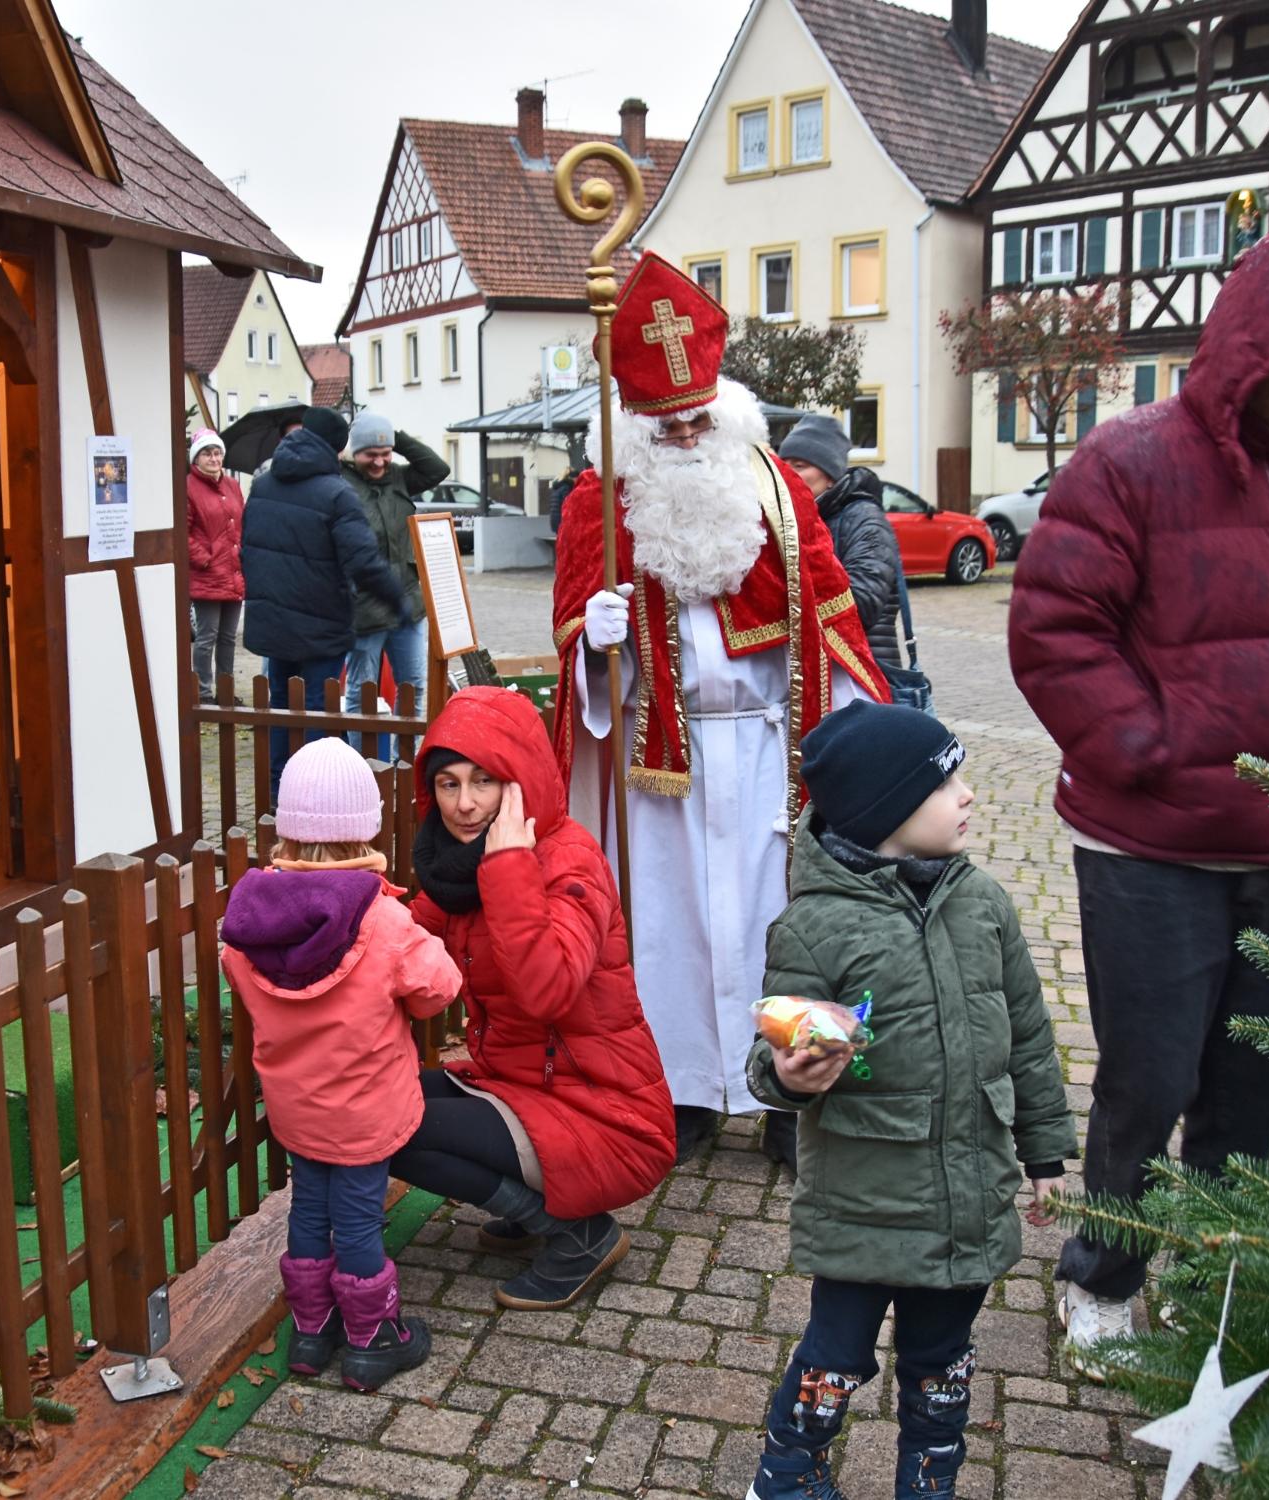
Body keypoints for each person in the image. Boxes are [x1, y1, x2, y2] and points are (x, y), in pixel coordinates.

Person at [1007, 220, 1269, 1371]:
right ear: (1255, 351)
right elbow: (1053, 627)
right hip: (1153, 848)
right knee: (1150, 1073)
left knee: (1257, 1085)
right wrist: (1146, 743)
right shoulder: (1127, 461)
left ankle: (1219, 1275)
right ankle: (1105, 1275)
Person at [552, 253, 887, 1165]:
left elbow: (830, 614)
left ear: (723, 404)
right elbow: (572, 650)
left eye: (698, 417)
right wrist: (594, 639)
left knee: (786, 924)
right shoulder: (600, 502)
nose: (687, 437)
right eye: (664, 427)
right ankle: (684, 1091)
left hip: (773, 753)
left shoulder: (774, 489)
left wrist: (852, 744)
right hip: (659, 768)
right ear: (633, 425)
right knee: (668, 934)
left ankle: (789, 1093)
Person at [744, 699, 1073, 1499]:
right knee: (835, 1357)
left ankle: (929, 1478)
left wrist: (1045, 1151)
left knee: (943, 1366)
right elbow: (770, 1051)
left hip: (967, 1194)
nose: (967, 795)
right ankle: (788, 1473)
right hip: (865, 1198)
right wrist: (789, 1075)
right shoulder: (815, 926)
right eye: (945, 783)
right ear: (884, 812)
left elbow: (1028, 1036)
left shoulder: (984, 905)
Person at [390, 687, 677, 1310]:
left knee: (397, 1130)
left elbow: (548, 990)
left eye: (484, 781)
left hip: (606, 1115)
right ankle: (536, 1204)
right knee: (379, 1104)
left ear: (521, 781)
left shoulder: (567, 861)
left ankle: (579, 1234)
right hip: (519, 1084)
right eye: (447, 784)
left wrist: (512, 867)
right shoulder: (460, 862)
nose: (463, 804)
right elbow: (409, 940)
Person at [217, 737, 462, 1391]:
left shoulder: (249, 920)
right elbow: (439, 987)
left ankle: (311, 1329)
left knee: (309, 1210)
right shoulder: (381, 919)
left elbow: (238, 974)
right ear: (368, 828)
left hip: (298, 1109)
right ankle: (370, 1337)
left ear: (288, 829)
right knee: (356, 1219)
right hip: (362, 1113)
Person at [239, 406, 405, 793]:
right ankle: (315, 792)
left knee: (280, 705)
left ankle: (280, 791)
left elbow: (246, 550)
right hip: (321, 624)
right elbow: (363, 561)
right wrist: (398, 602)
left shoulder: (262, 485)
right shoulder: (337, 494)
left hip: (272, 621)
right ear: (336, 447)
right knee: (318, 706)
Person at [341, 409, 450, 758]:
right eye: (370, 454)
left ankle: (409, 763)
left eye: (384, 454)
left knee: (414, 686)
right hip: (363, 609)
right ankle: (365, 765)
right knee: (362, 691)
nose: (378, 462)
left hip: (407, 604)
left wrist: (395, 438)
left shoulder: (400, 478)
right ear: (353, 452)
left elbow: (437, 469)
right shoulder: (342, 485)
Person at [779, 413, 909, 671]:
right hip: (825, 671)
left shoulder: (864, 519)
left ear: (830, 476)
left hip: (865, 676)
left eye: (800, 466)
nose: (788, 475)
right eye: (784, 465)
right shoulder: (796, 520)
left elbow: (863, 603)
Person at [186, 428, 245, 706]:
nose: (214, 458)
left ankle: (226, 688)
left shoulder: (232, 485)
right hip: (208, 573)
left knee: (228, 637)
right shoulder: (189, 487)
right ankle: (204, 691)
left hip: (233, 570)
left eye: (217, 452)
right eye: (207, 453)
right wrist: (203, 557)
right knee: (207, 635)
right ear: (196, 459)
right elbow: (182, 533)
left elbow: (242, 523)